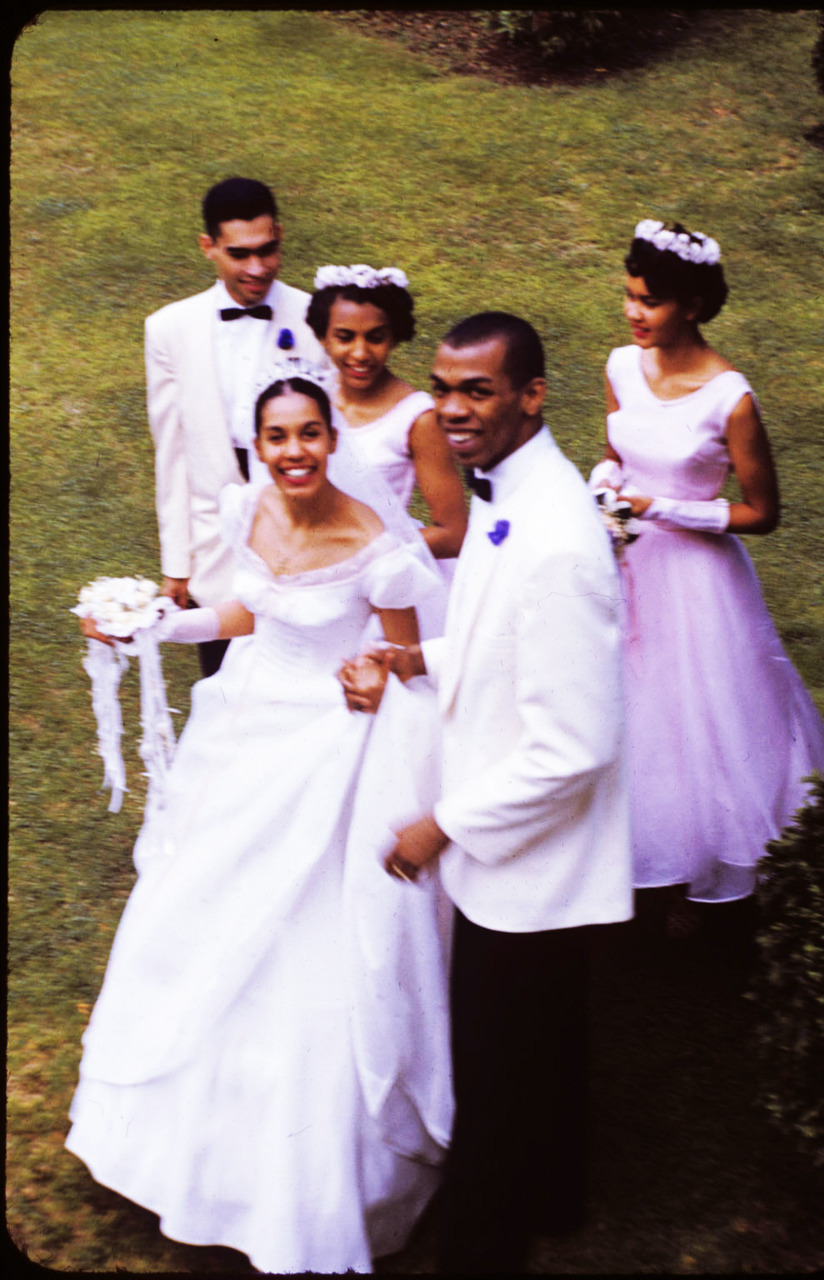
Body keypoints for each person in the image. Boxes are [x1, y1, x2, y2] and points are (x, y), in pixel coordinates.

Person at [66, 365, 453, 1274]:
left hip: (331, 755)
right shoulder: (249, 511)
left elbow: (406, 659)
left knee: (306, 945)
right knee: (196, 911)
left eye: (308, 435)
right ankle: (164, 1152)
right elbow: (246, 612)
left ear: (332, 439)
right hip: (244, 741)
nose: (293, 454)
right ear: (259, 445)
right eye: (276, 438)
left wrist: (374, 675)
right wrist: (154, 627)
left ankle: (304, 1190)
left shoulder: (380, 547)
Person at [341, 313, 633, 1272]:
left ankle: (483, 1239)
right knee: (544, 1044)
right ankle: (557, 1191)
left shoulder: (554, 537)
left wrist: (439, 828)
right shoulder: (516, 493)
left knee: (499, 1066)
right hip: (524, 861)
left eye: (476, 391)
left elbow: (574, 746)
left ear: (530, 396)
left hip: (529, 861)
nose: (452, 410)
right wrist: (420, 654)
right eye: (443, 388)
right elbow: (501, 634)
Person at [589, 218, 824, 939]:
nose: (633, 313)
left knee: (695, 724)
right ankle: (628, 860)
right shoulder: (619, 366)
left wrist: (661, 508)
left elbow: (762, 512)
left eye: (650, 302)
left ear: (691, 305)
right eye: (629, 296)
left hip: (699, 587)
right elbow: (614, 451)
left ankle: (695, 878)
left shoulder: (730, 398)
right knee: (629, 712)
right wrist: (602, 485)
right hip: (629, 567)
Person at [145, 176, 326, 677]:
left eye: (268, 250)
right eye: (240, 254)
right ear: (209, 247)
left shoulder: (318, 316)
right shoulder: (168, 328)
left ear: (280, 236)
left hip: (303, 542)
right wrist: (176, 565)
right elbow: (172, 452)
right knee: (224, 692)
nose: (257, 268)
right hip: (216, 552)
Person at [306, 263, 467, 567]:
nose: (360, 353)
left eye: (375, 337)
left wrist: (362, 550)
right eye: (345, 337)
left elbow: (454, 534)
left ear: (394, 337)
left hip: (383, 573)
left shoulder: (418, 418)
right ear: (323, 337)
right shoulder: (313, 398)